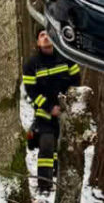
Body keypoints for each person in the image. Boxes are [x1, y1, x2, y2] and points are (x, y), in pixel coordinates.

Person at [21, 29, 79, 193]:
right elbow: (31, 91)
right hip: (44, 114)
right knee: (46, 146)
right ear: (38, 42)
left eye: (48, 34)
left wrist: (67, 104)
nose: (46, 37)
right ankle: (44, 185)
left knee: (63, 148)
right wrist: (49, 107)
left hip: (67, 111)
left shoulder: (67, 57)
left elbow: (76, 81)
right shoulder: (31, 65)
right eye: (41, 35)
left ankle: (60, 178)